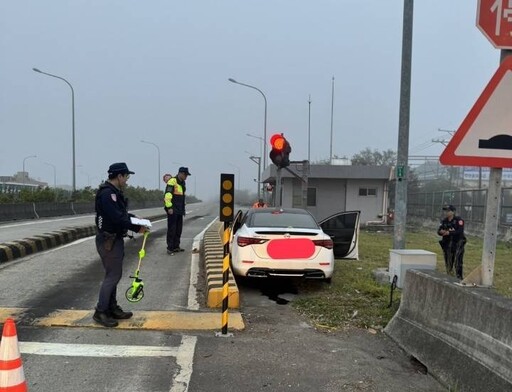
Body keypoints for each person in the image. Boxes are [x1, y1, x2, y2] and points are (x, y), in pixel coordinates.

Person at [94, 162, 146, 328]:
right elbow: (117, 218)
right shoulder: (108, 194)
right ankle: (101, 311)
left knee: (113, 275)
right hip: (108, 240)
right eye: (126, 176)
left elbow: (120, 214)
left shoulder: (113, 193)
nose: (127, 180)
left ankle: (111, 308)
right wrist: (137, 227)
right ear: (119, 176)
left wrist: (134, 218)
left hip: (114, 239)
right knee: (113, 276)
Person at [164, 167, 191, 255]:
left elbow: (181, 195)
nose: (186, 177)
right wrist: (169, 207)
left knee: (178, 229)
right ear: (181, 173)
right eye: (185, 175)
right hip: (173, 209)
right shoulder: (172, 181)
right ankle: (170, 248)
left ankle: (176, 246)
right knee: (172, 229)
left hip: (179, 209)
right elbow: (167, 195)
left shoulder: (183, 182)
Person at [438, 204, 466, 280]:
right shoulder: (444, 221)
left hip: (457, 244)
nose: (446, 212)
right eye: (445, 211)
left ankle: (459, 278)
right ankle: (449, 276)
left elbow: (460, 232)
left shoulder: (458, 220)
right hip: (447, 244)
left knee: (458, 262)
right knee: (448, 261)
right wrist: (442, 232)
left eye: (448, 211)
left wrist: (449, 233)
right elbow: (439, 231)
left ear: (453, 212)